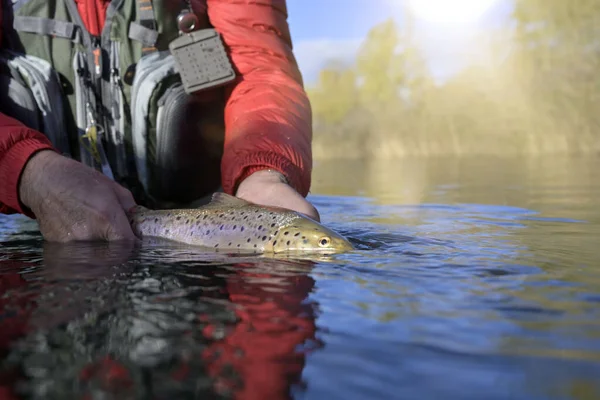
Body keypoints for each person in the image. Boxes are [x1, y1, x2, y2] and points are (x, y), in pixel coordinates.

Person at [0, 0, 319, 243]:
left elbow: (259, 68)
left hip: (196, 228)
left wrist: (263, 171)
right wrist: (27, 170)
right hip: (38, 221)